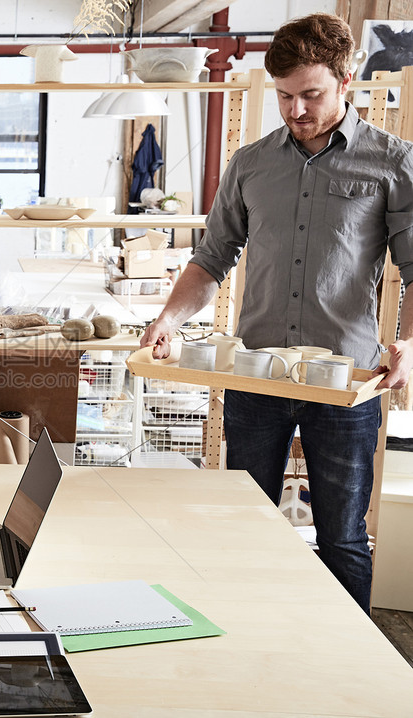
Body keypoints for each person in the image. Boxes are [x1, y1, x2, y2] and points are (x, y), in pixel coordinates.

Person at [140, 12, 413, 613]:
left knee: (342, 539)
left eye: (310, 94)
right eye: (285, 96)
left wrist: (409, 345)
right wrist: (169, 319)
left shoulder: (393, 163)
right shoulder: (250, 164)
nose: (295, 110)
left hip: (344, 383)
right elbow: (211, 259)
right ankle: (250, 647)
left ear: (346, 80)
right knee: (244, 530)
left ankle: (344, 671)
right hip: (254, 377)